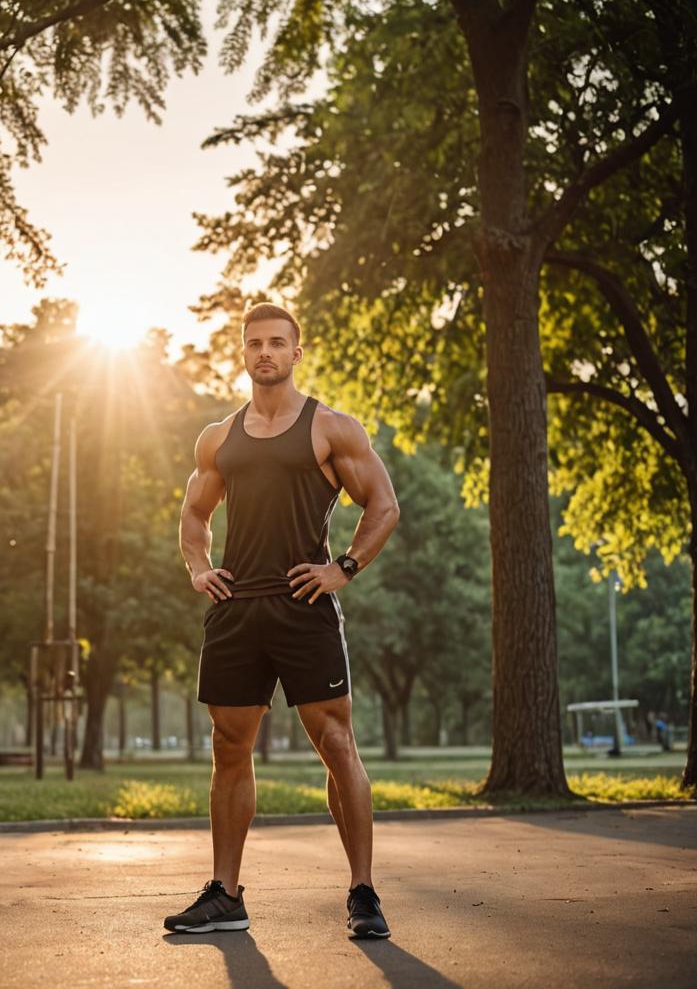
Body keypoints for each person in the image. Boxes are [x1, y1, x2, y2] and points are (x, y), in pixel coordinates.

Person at [166, 302, 400, 939]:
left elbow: (383, 504)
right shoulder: (218, 437)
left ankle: (363, 893)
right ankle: (225, 895)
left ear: (297, 353)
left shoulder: (331, 428)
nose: (264, 352)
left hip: (305, 610)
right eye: (254, 343)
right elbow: (193, 513)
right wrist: (197, 567)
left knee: (336, 745)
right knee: (227, 750)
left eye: (277, 343)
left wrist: (344, 568)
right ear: (242, 354)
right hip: (237, 610)